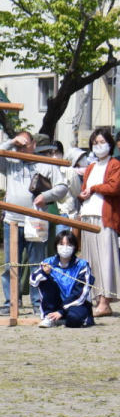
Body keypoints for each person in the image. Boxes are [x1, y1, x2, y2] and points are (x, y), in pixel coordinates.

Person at [0, 130, 67, 314]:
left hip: (36, 220)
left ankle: (37, 303)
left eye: (25, 145)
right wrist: (11, 142)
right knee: (11, 264)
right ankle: (11, 302)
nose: (21, 149)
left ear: (33, 145)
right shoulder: (11, 162)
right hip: (12, 221)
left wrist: (45, 195)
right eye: (19, 146)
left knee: (37, 264)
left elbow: (62, 188)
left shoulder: (47, 164)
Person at [77, 127, 119, 316]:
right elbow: (85, 189)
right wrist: (84, 194)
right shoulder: (90, 167)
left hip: (105, 216)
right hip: (88, 213)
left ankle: (105, 301)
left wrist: (93, 188)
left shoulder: (115, 165)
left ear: (110, 144)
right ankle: (95, 300)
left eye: (102, 142)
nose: (98, 146)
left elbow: (114, 187)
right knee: (90, 259)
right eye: (95, 143)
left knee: (106, 258)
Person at [32, 231, 95, 328]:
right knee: (46, 281)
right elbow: (33, 281)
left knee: (74, 320)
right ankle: (49, 316)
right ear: (56, 246)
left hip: (77, 303)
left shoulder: (82, 265)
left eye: (69, 244)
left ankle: (65, 317)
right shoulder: (48, 262)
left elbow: (81, 292)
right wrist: (44, 273)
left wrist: (62, 311)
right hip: (55, 303)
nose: (65, 247)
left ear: (74, 246)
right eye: (61, 244)